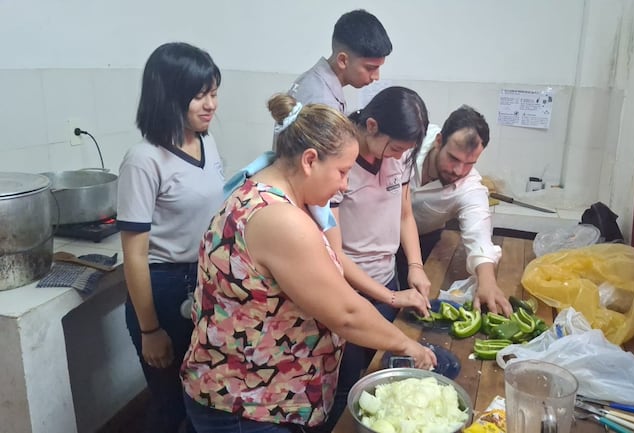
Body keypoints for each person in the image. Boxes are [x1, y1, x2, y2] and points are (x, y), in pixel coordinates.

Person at [180, 94, 436, 433]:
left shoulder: (265, 192)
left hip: (259, 395)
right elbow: (345, 313)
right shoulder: (280, 219)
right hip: (248, 405)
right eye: (343, 172)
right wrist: (406, 344)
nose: (345, 184)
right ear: (309, 160)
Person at [116, 42, 224, 433]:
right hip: (162, 289)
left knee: (201, 395)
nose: (210, 104)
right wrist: (150, 329)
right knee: (169, 405)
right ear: (169, 96)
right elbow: (134, 254)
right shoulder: (143, 160)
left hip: (202, 281)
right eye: (199, 95)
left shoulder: (205, 142)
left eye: (213, 93)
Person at [320, 86, 432, 430]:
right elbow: (334, 254)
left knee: (382, 379)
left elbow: (404, 215)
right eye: (395, 147)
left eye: (406, 151)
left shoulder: (398, 159)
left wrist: (415, 266)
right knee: (347, 389)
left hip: (389, 283)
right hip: (352, 294)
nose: (399, 156)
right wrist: (393, 297)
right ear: (371, 125)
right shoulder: (340, 166)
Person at [397, 105, 513, 316]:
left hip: (423, 241)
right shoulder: (408, 143)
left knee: (414, 307)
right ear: (438, 140)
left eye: (469, 163)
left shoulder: (469, 186)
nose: (459, 171)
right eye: (453, 158)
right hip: (375, 238)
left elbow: (479, 235)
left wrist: (487, 282)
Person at [288, 9, 392, 113]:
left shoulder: (311, 80)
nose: (376, 77)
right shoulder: (323, 102)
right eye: (370, 68)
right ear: (343, 60)